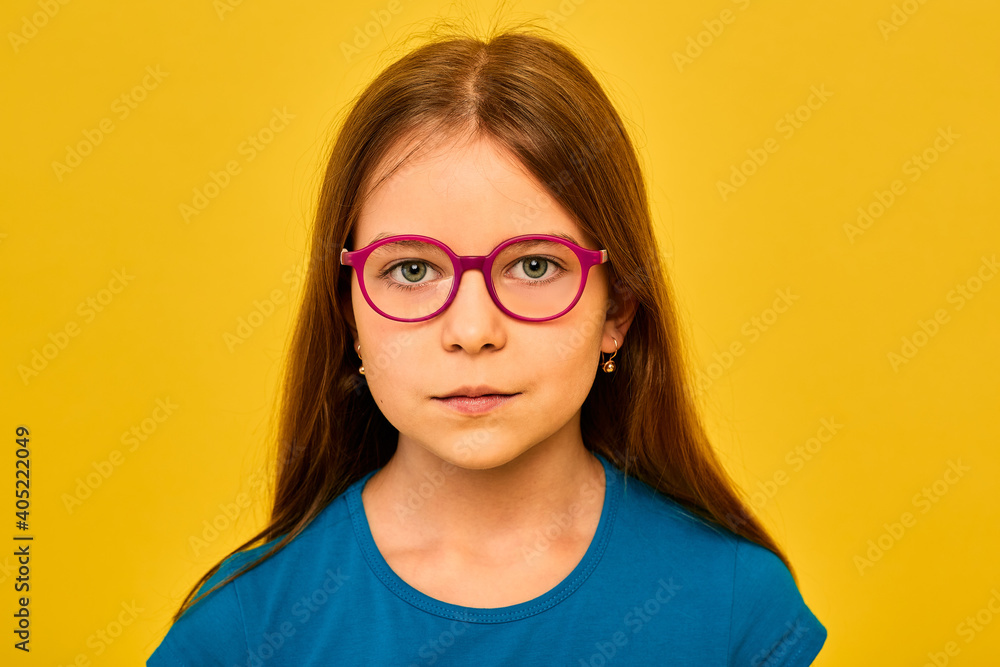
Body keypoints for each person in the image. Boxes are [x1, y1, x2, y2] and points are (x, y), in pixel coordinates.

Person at [148, 23, 827, 666]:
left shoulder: (735, 607)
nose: (472, 331)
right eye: (411, 270)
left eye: (535, 265)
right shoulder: (242, 626)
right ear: (348, 312)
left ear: (616, 307)